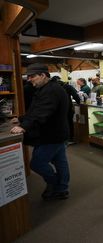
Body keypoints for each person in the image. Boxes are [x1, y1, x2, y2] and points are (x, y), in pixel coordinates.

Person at [11, 63, 70, 200]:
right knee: (61, 163)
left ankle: (55, 184)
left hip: (51, 136)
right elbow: (35, 111)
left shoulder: (51, 91)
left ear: (43, 75)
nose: (29, 79)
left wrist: (23, 126)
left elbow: (42, 113)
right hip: (57, 134)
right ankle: (62, 189)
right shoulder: (48, 88)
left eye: (32, 76)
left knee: (36, 164)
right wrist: (21, 119)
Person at [52, 76, 81, 144]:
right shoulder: (67, 86)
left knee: (60, 123)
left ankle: (62, 138)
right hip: (67, 108)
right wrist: (79, 103)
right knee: (69, 123)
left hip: (56, 110)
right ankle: (70, 138)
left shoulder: (52, 87)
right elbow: (76, 96)